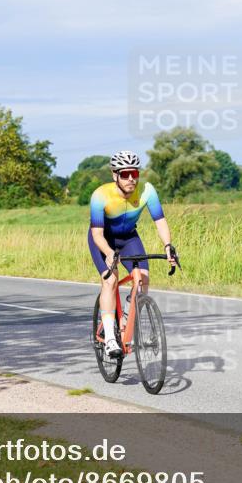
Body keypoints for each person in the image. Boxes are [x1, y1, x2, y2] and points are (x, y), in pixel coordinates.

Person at [88, 151, 177, 359]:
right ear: (115, 175)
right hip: (103, 239)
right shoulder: (100, 195)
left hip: (129, 238)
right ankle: (110, 338)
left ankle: (127, 319)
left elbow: (160, 221)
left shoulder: (147, 191)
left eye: (134, 173)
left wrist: (168, 246)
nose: (131, 179)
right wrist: (109, 254)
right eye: (125, 173)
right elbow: (97, 234)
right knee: (110, 280)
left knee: (143, 279)